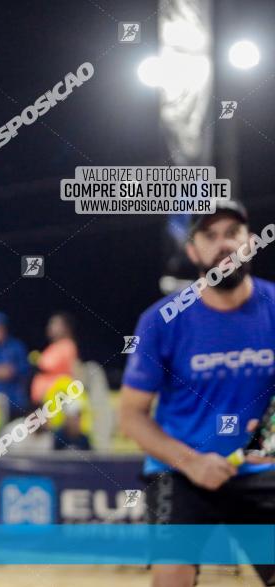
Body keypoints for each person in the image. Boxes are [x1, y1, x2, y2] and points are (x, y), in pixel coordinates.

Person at [119, 201, 275, 587]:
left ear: (251, 242)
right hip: (181, 470)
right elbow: (131, 416)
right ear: (192, 250)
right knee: (171, 576)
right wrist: (191, 463)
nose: (223, 244)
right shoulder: (161, 320)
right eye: (210, 235)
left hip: (260, 469)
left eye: (232, 233)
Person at [30, 312, 79, 404]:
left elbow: (48, 364)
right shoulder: (54, 346)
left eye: (55, 324)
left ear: (66, 327)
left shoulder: (67, 344)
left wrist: (36, 359)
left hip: (58, 398)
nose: (50, 327)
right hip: (46, 400)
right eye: (50, 324)